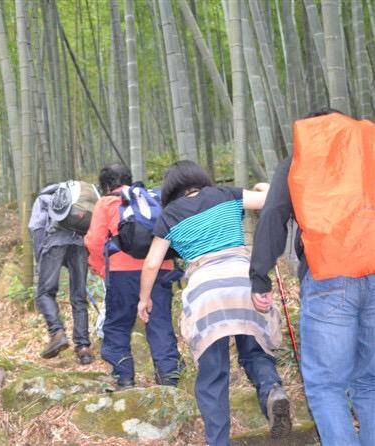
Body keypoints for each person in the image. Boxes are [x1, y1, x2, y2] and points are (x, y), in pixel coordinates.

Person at [138, 160, 291, 445]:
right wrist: (261, 185)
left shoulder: (168, 215)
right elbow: (275, 197)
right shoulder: (225, 194)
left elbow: (151, 265)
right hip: (245, 281)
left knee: (213, 373)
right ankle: (272, 390)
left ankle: (218, 441)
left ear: (170, 189)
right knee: (256, 351)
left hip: (205, 292)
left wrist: (144, 300)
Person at [249, 108, 375, 446]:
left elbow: (274, 215)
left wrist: (258, 276)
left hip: (329, 279)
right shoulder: (369, 152)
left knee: (326, 386)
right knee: (370, 384)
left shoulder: (302, 158)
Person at [85, 163, 184, 388]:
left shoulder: (107, 202)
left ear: (106, 185)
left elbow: (94, 241)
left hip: (123, 273)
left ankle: (124, 377)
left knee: (118, 323)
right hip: (161, 267)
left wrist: (102, 269)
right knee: (159, 322)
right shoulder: (153, 199)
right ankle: (169, 377)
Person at [28, 183, 94, 364]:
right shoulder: (74, 199)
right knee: (79, 297)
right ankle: (83, 348)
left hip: (54, 243)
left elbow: (37, 227)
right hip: (80, 245)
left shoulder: (43, 198)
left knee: (44, 293)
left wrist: (41, 258)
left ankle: (57, 333)